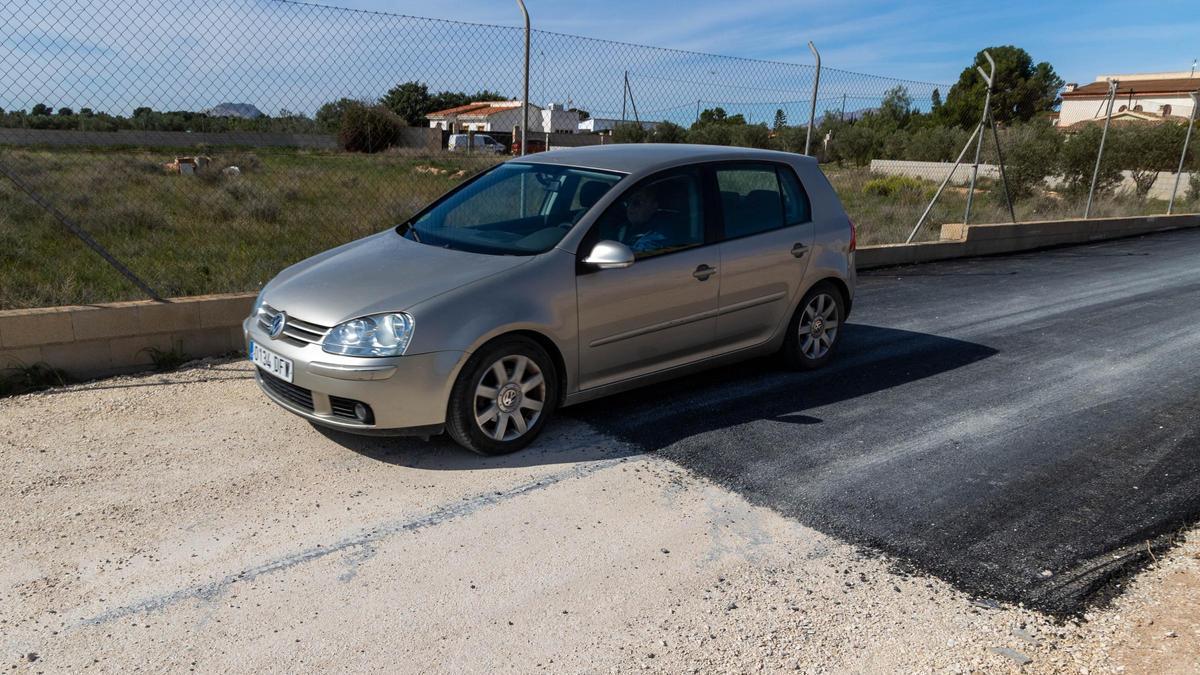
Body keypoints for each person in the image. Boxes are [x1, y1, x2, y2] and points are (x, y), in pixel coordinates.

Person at [620, 185, 673, 253]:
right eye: (628, 202)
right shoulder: (623, 227)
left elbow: (640, 254)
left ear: (653, 206)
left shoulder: (661, 233)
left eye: (637, 202)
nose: (630, 207)